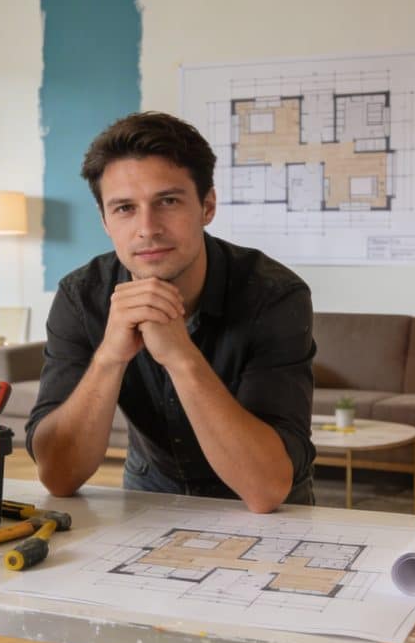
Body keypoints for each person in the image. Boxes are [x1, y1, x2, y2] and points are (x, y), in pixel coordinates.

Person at [25, 111, 316, 517]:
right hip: (151, 495)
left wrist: (181, 357)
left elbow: (265, 490)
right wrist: (109, 357)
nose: (148, 228)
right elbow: (59, 477)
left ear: (207, 206)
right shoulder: (81, 297)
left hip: (268, 509)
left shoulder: (274, 295)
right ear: (105, 220)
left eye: (168, 201)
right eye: (125, 208)